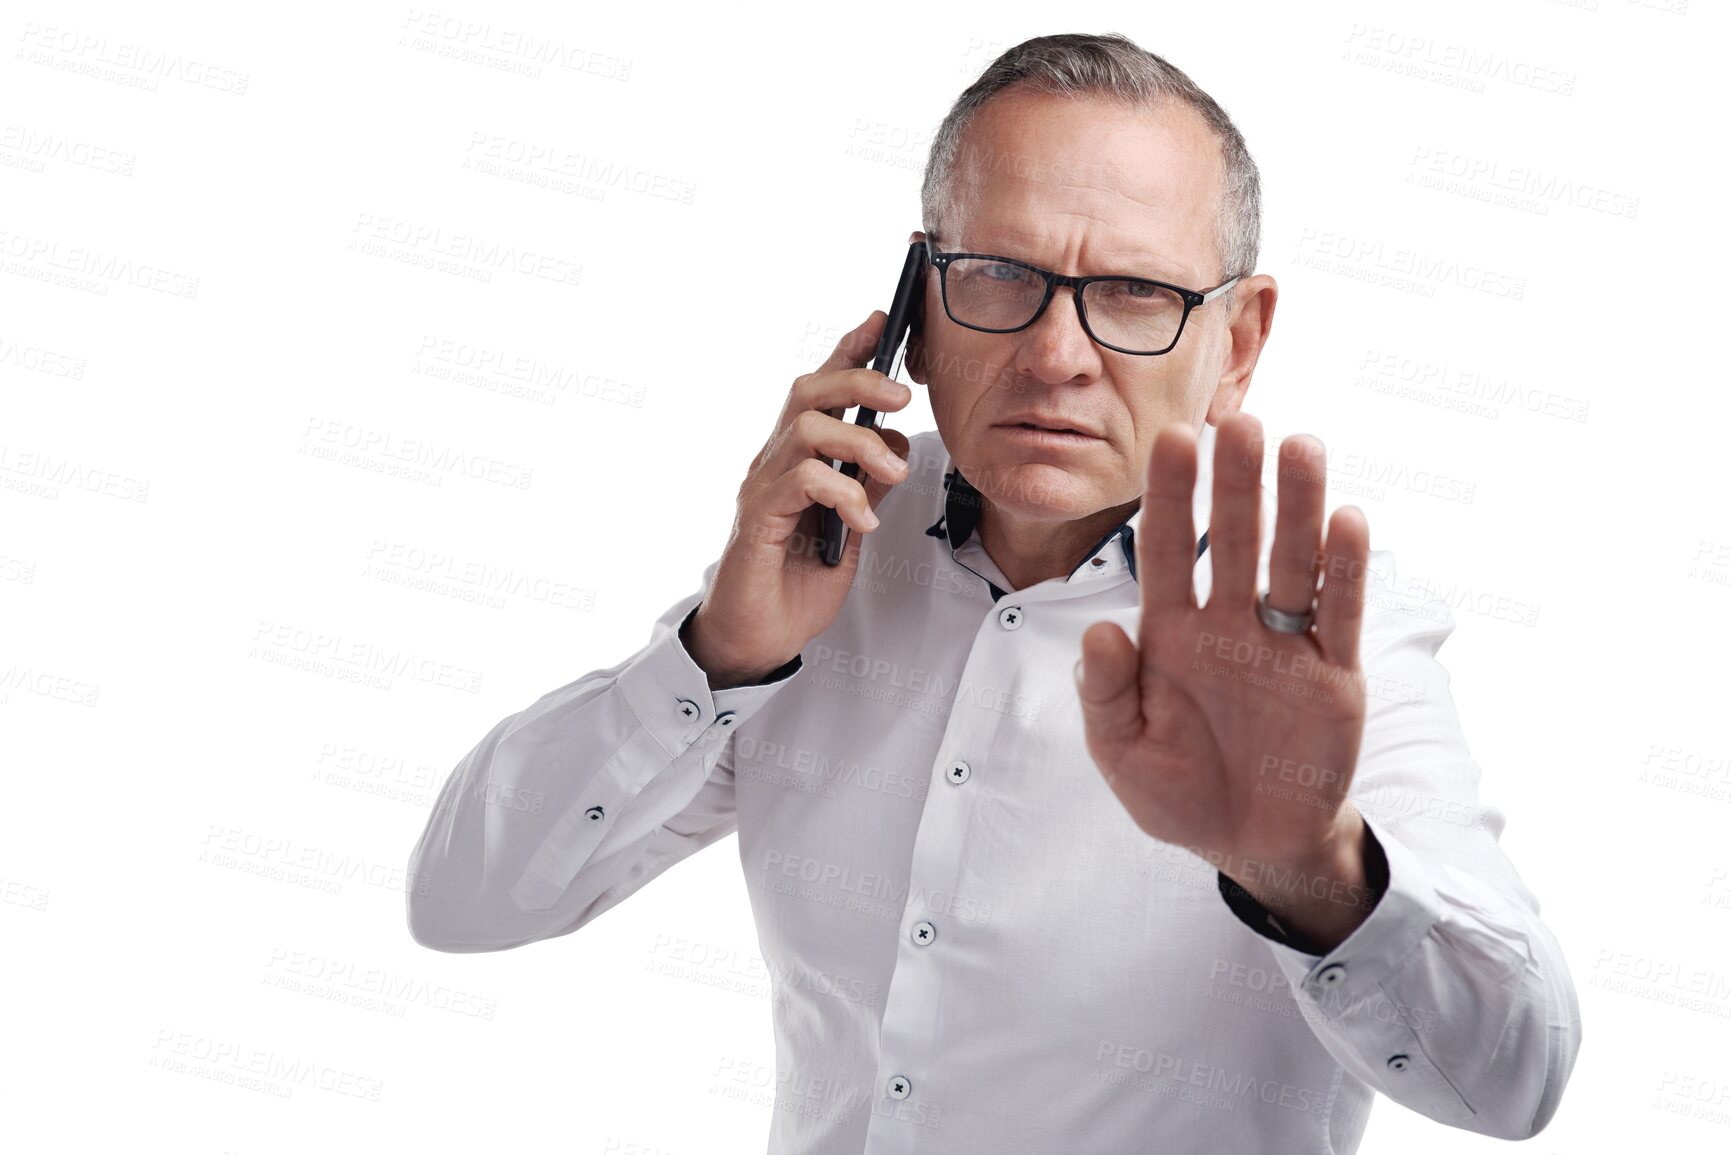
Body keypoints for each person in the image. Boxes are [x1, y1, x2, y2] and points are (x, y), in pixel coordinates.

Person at [406, 32, 1581, 1153]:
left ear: (1238, 341)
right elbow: (466, 902)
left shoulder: (1329, 638)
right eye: (999, 274)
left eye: (1132, 293)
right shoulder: (828, 551)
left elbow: (1515, 1080)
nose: (1057, 354)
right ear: (917, 307)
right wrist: (717, 658)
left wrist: (1310, 865)